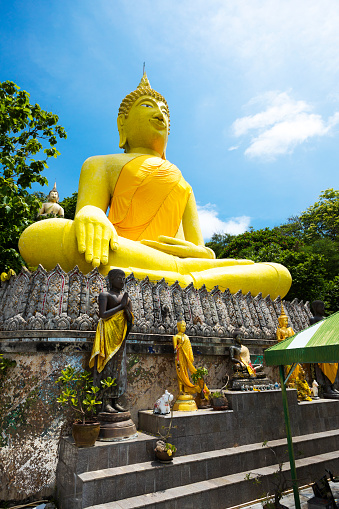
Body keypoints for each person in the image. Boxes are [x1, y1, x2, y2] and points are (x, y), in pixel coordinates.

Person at [19, 73, 291, 298]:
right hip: (121, 250)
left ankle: (181, 279)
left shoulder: (183, 182)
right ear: (122, 123)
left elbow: (199, 248)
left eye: (165, 112)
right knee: (38, 237)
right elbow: (88, 210)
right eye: (148, 106)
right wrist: (91, 214)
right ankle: (195, 285)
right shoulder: (100, 163)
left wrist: (199, 253)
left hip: (169, 263)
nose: (160, 114)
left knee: (278, 273)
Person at [89, 268, 133, 413]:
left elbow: (130, 320)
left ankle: (115, 400)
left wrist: (126, 309)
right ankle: (105, 402)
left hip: (120, 338)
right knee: (107, 368)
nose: (122, 281)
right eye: (119, 278)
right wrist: (121, 306)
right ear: (111, 279)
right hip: (107, 336)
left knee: (119, 370)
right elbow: (103, 315)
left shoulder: (126, 297)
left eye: (123, 278)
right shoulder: (105, 295)